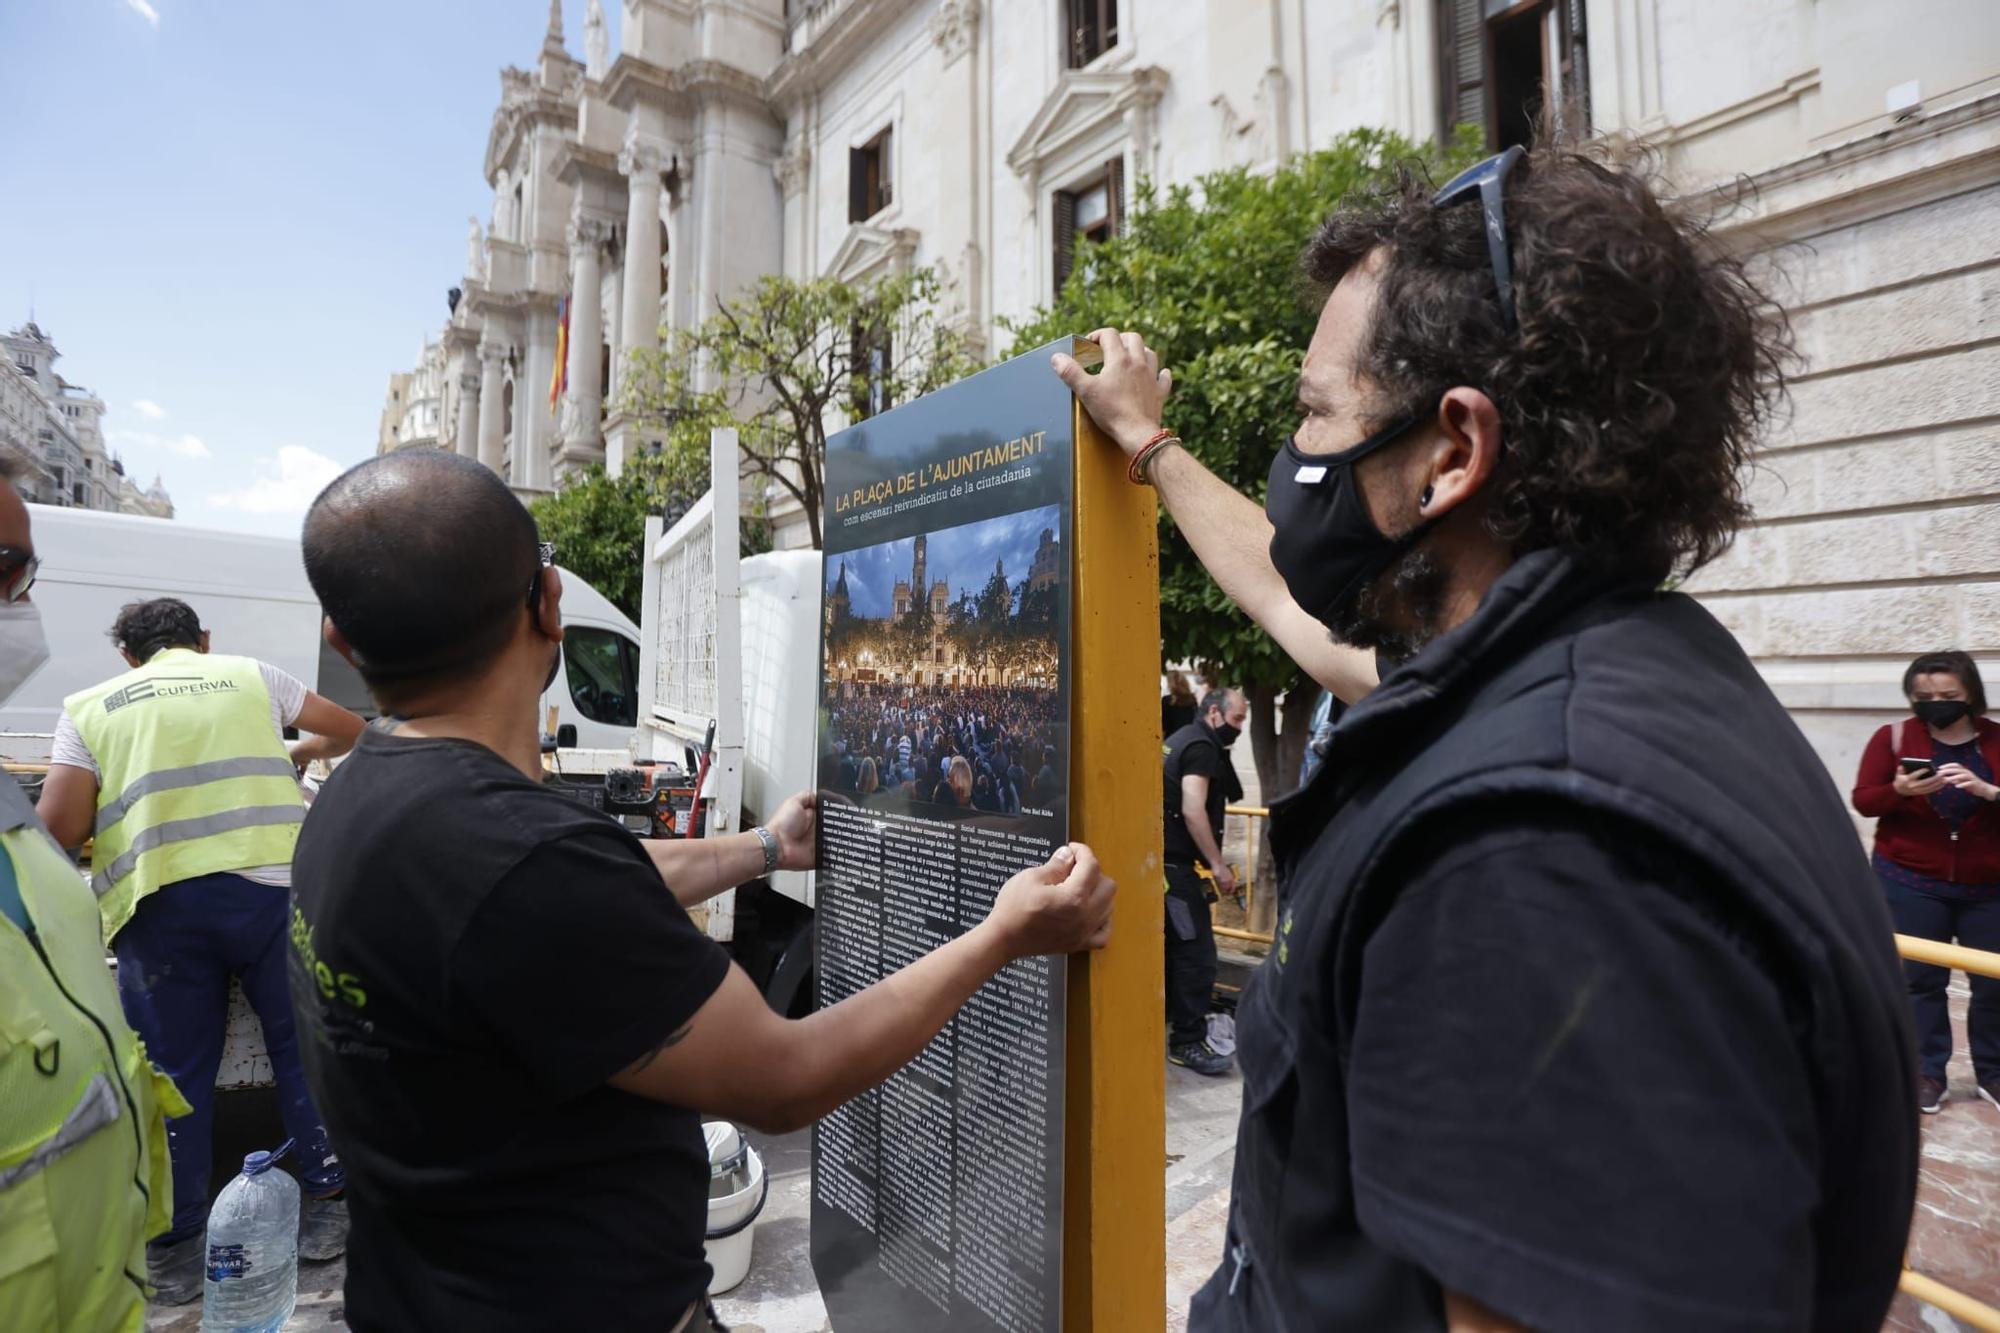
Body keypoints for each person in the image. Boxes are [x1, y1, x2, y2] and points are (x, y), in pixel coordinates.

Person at [1055, 140, 1917, 1331]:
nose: (1296, 454)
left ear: (1453, 451)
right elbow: (1284, 599)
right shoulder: (1580, 665)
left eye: (1315, 414)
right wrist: (1146, 446)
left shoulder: (1536, 861)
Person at [290, 450, 1114, 1331]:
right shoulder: (522, 866)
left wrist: (761, 847)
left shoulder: (352, 797)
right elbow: (784, 1077)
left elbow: (571, 893)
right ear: (550, 601)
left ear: (341, 637)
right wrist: (1002, 934)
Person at [35, 596, 364, 1301]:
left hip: (163, 904)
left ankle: (178, 1248)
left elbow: (58, 825)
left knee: (176, 1072)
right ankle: (327, 1208)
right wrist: (300, 748)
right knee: (301, 1046)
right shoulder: (251, 675)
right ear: (202, 640)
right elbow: (353, 729)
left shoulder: (89, 705)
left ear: (128, 655)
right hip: (275, 892)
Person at [0, 452, 187, 1331]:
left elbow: (64, 830)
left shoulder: (22, 799)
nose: (22, 607)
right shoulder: (253, 680)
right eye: (6, 573)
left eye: (22, 574)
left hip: (97, 1287)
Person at [1853, 651, 2000, 1115]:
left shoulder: (1997, 740)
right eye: (1924, 696)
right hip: (1910, 880)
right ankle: (1927, 1072)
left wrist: (1988, 791)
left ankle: (1993, 1073)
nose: (1937, 703)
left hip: (1990, 886)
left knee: (1994, 982)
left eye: (1949, 696)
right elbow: (1864, 801)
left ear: (1971, 694)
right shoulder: (1892, 738)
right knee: (1920, 981)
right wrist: (1898, 791)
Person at [1161, 686, 1246, 1077]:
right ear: (1214, 713)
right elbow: (1193, 809)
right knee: (1195, 957)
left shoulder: (1179, 738)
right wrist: (1218, 864)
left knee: (1173, 954)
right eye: (1237, 719)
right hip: (1175, 872)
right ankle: (1187, 1041)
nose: (1240, 728)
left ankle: (1168, 1027)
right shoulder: (1200, 747)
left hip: (1162, 867)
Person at [1162, 668, 1198, 735]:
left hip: (1172, 739)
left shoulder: (1167, 700)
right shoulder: (1193, 699)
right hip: (1190, 736)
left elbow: (1164, 726)